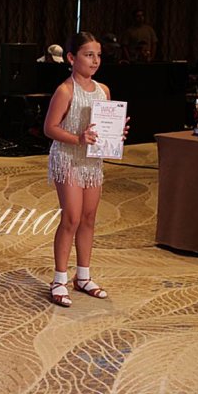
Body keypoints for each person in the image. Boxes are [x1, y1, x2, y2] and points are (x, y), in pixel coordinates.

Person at [43, 32, 128, 308]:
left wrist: (116, 133)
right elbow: (50, 128)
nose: (95, 61)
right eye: (88, 55)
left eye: (98, 55)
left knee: (89, 218)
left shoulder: (103, 90)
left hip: (92, 161)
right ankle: (59, 279)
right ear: (71, 58)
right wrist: (78, 138)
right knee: (71, 217)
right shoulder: (65, 90)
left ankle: (83, 276)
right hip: (68, 157)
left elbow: (103, 127)